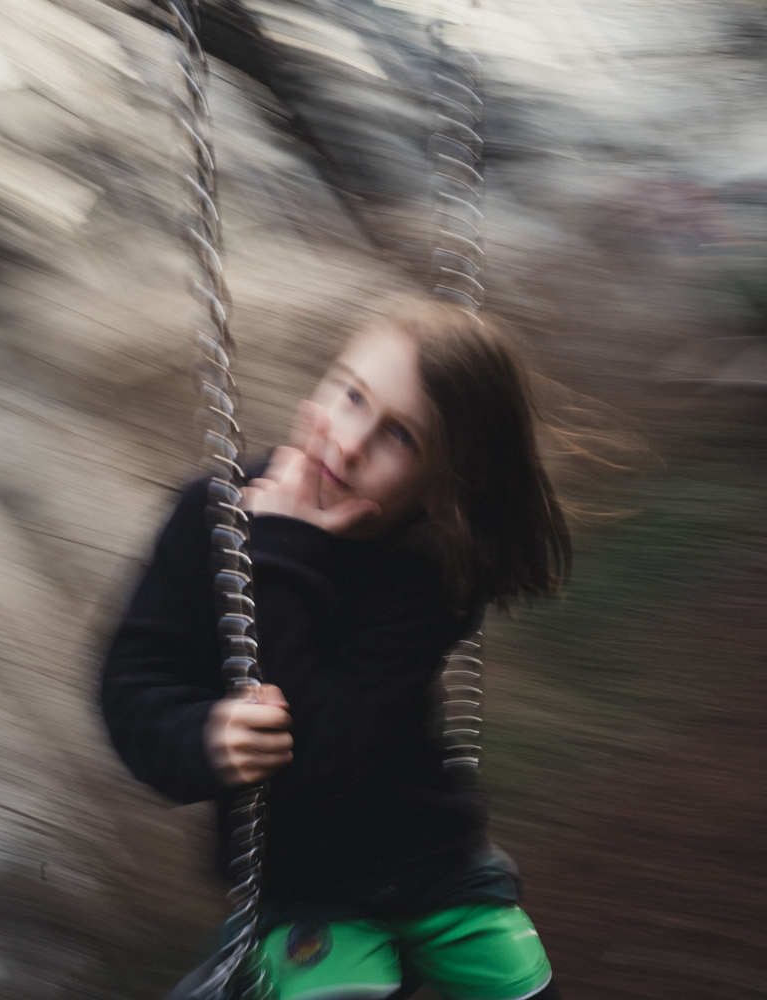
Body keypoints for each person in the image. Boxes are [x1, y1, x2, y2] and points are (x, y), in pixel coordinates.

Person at [102, 296, 569, 1000]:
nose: (349, 444)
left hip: (430, 860)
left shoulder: (428, 568)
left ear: (440, 484)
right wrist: (203, 737)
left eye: (399, 437)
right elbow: (130, 685)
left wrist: (283, 549)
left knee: (522, 986)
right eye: (350, 395)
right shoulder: (209, 517)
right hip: (297, 881)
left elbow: (319, 750)